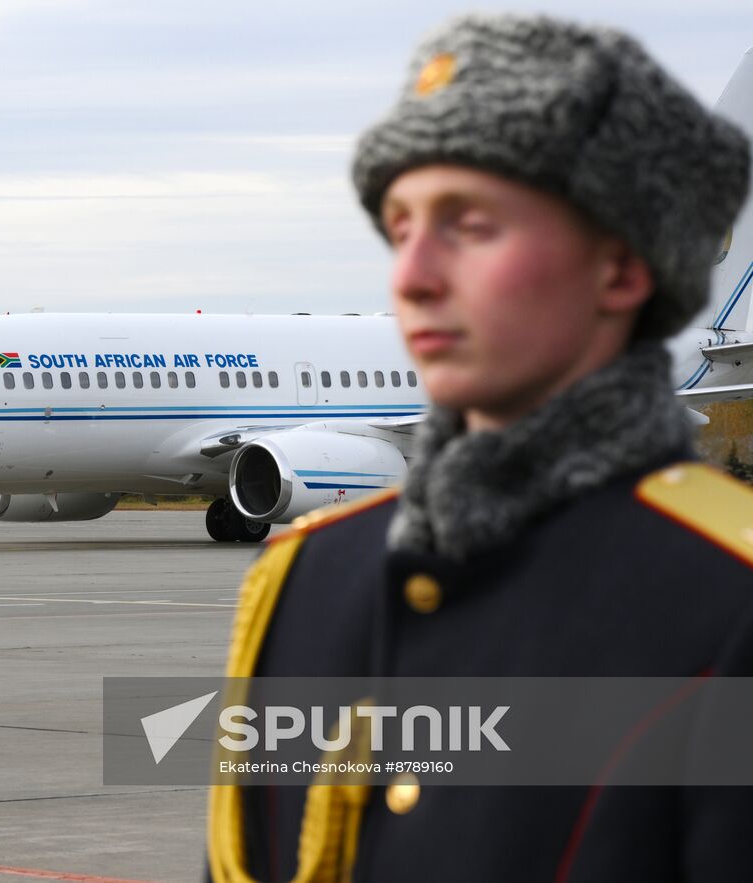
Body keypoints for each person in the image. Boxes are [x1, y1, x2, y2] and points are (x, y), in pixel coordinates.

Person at [206, 14, 753, 883]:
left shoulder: (727, 599)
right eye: (400, 224)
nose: (413, 275)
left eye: (471, 224)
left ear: (622, 265)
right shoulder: (302, 588)